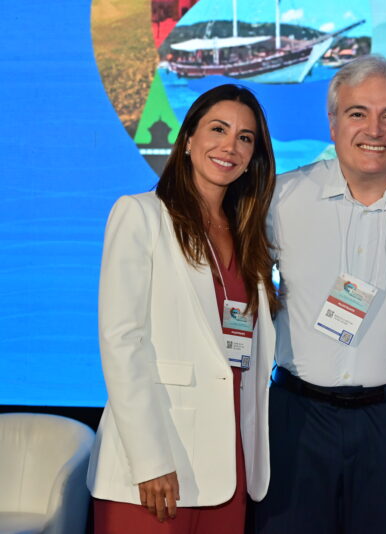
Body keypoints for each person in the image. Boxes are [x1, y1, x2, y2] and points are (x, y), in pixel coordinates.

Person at [256, 55, 386, 534]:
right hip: (296, 418)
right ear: (333, 123)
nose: (375, 130)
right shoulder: (282, 199)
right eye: (358, 113)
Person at [87, 84, 278, 534]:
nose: (230, 146)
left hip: (229, 464)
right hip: (156, 466)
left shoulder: (248, 234)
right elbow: (121, 342)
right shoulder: (141, 215)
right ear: (188, 138)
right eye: (218, 129)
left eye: (245, 138)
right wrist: (150, 461)